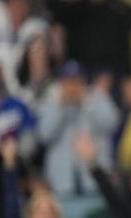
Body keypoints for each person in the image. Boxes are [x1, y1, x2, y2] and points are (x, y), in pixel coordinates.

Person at [37, 60, 120, 196]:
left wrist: (88, 103)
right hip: (61, 183)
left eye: (77, 82)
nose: (73, 87)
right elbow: (44, 135)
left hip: (95, 182)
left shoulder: (97, 98)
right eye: (69, 82)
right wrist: (61, 107)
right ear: (61, 83)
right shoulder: (51, 102)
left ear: (84, 82)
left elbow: (112, 125)